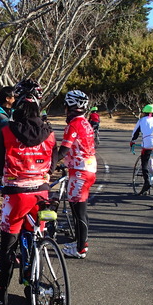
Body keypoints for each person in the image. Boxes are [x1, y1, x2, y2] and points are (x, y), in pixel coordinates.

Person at [0, 79, 58, 305]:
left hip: (16, 195)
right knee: (34, 238)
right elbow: (52, 165)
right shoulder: (50, 133)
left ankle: (1, 290)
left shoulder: (6, 130)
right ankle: (32, 287)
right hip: (41, 195)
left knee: (8, 244)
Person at [58, 90, 97, 259]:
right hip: (86, 169)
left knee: (78, 211)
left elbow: (63, 151)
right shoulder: (85, 122)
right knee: (80, 210)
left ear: (70, 106)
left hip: (80, 172)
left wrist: (48, 164)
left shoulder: (74, 124)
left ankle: (80, 249)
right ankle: (80, 241)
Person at [130, 104, 153, 195]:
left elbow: (135, 133)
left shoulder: (141, 120)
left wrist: (132, 141)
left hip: (148, 143)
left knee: (144, 162)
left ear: (144, 112)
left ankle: (147, 182)